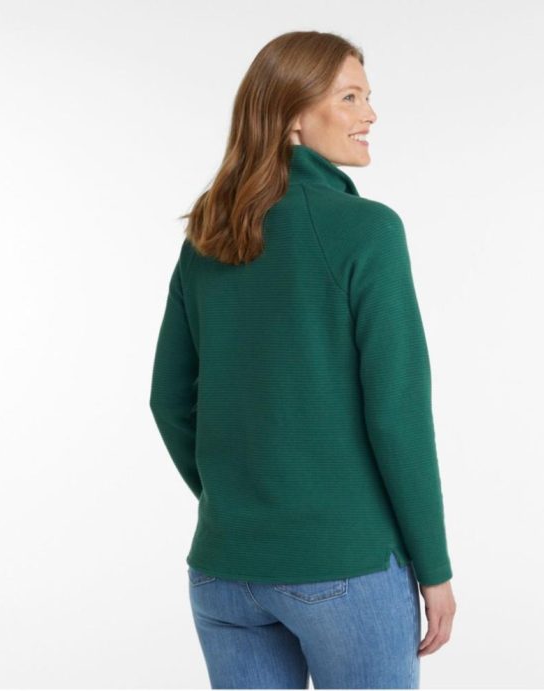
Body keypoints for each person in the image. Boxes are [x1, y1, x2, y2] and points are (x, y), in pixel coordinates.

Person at [149, 30, 456, 689]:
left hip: (224, 570)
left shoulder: (209, 235)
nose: (370, 114)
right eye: (350, 97)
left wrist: (240, 498)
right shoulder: (369, 231)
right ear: (292, 115)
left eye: (367, 97)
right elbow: (397, 414)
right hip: (344, 565)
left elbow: (169, 399)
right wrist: (434, 569)